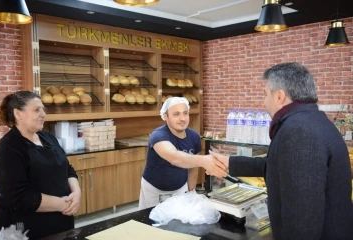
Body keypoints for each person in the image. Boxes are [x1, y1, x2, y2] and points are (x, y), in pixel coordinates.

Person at [210, 62, 353, 240]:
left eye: (265, 94)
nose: (264, 102)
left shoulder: (299, 131)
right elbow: (282, 164)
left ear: (279, 96)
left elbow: (303, 215)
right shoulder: (311, 120)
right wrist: (231, 162)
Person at [0, 91, 81, 239]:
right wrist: (63, 204)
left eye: (43, 109)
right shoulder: (9, 148)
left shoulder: (49, 138)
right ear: (18, 114)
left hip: (60, 222)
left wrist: (77, 193)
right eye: (36, 110)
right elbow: (19, 197)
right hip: (24, 229)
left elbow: (68, 169)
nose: (43, 114)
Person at [139, 97, 227, 209]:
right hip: (154, 190)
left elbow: (193, 167)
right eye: (176, 114)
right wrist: (204, 160)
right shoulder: (158, 135)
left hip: (180, 188)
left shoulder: (194, 136)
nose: (182, 118)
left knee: (178, 223)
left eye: (185, 113)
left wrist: (191, 191)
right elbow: (174, 157)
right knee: (152, 223)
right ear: (165, 117)